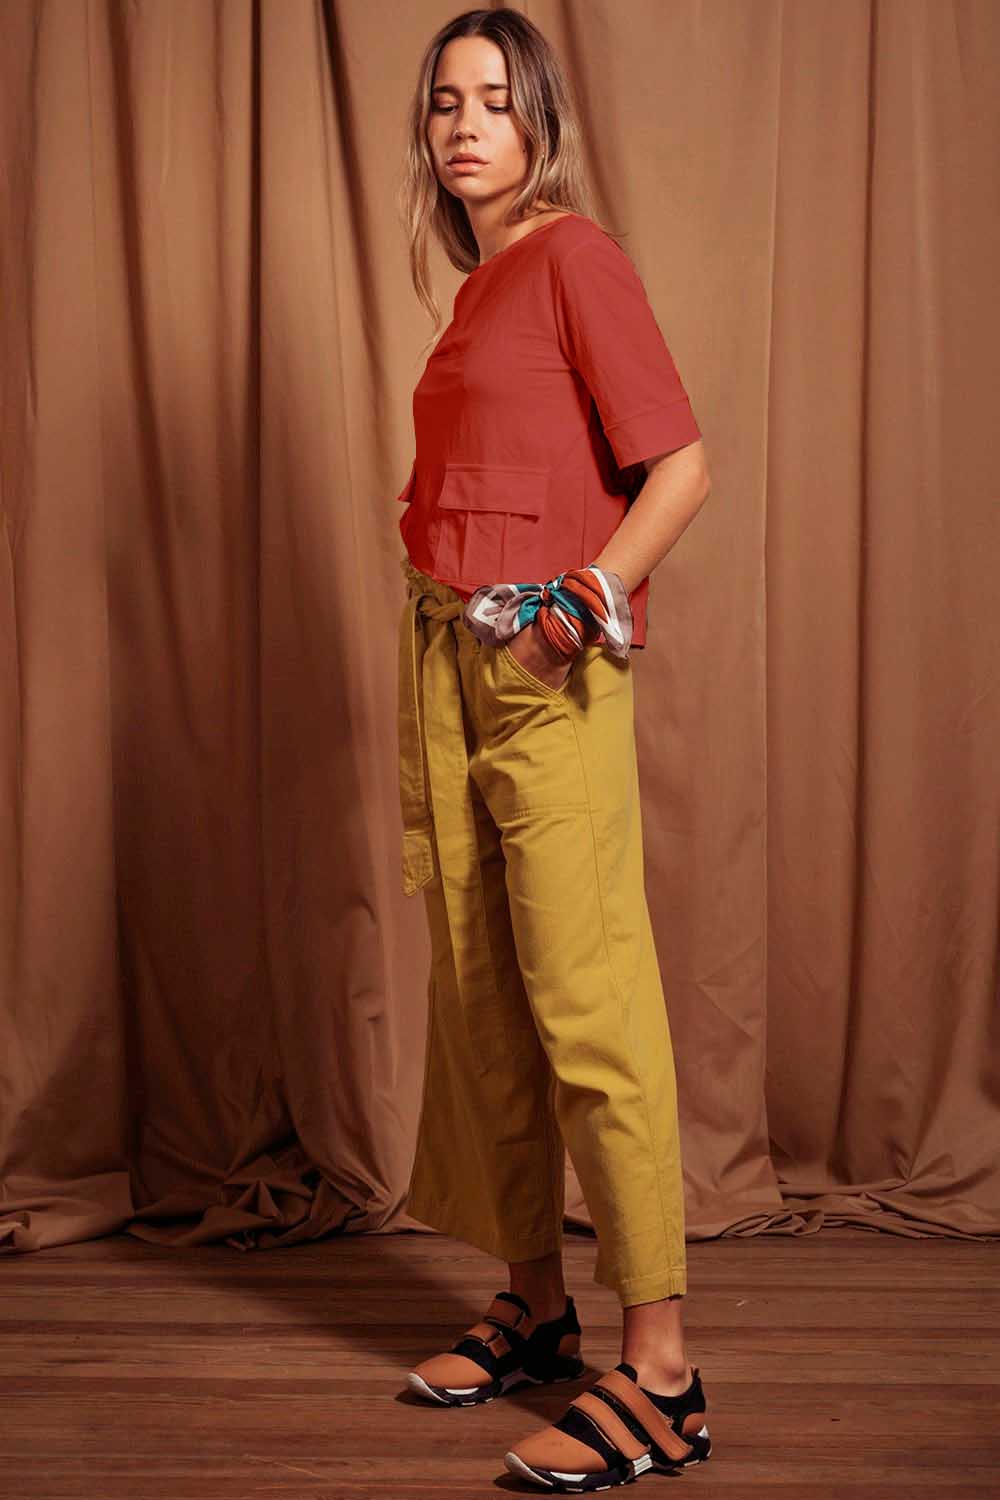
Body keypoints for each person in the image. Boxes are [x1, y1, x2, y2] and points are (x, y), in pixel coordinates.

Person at [393, 9, 713, 1490]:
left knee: (590, 1005)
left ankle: (666, 1376)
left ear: (541, 122)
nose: (466, 125)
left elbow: (681, 467)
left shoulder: (577, 257)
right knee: (486, 993)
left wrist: (572, 616)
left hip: (542, 675)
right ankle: (535, 1308)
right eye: (444, 102)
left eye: (494, 99)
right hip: (450, 665)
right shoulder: (481, 287)